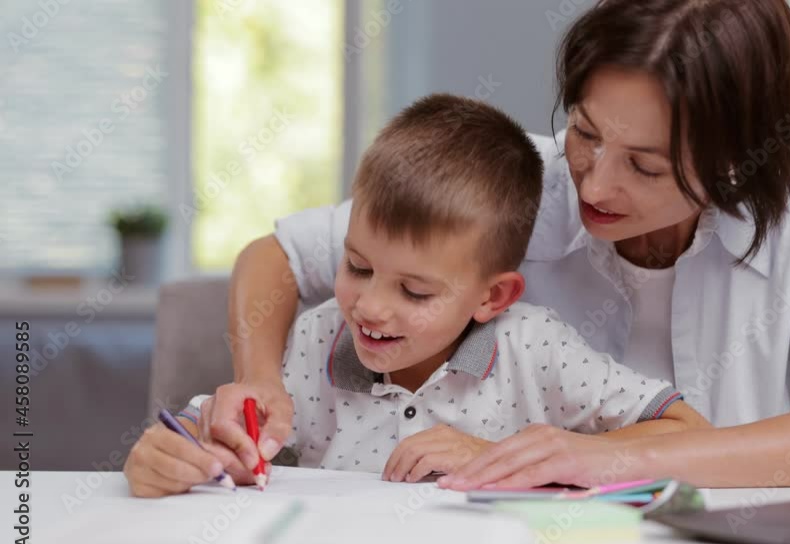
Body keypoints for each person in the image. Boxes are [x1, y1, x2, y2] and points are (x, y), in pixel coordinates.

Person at [205, 0, 790, 489]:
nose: (593, 182)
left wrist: (608, 456)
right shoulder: (524, 183)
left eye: (645, 166)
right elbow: (277, 256)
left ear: (733, 159)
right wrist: (259, 379)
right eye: (587, 132)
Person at [123, 94, 710, 498]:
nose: (371, 307)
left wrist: (503, 458)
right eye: (356, 266)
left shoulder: (536, 348)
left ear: (493, 296)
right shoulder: (319, 338)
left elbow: (687, 430)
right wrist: (184, 452)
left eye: (414, 290)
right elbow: (226, 436)